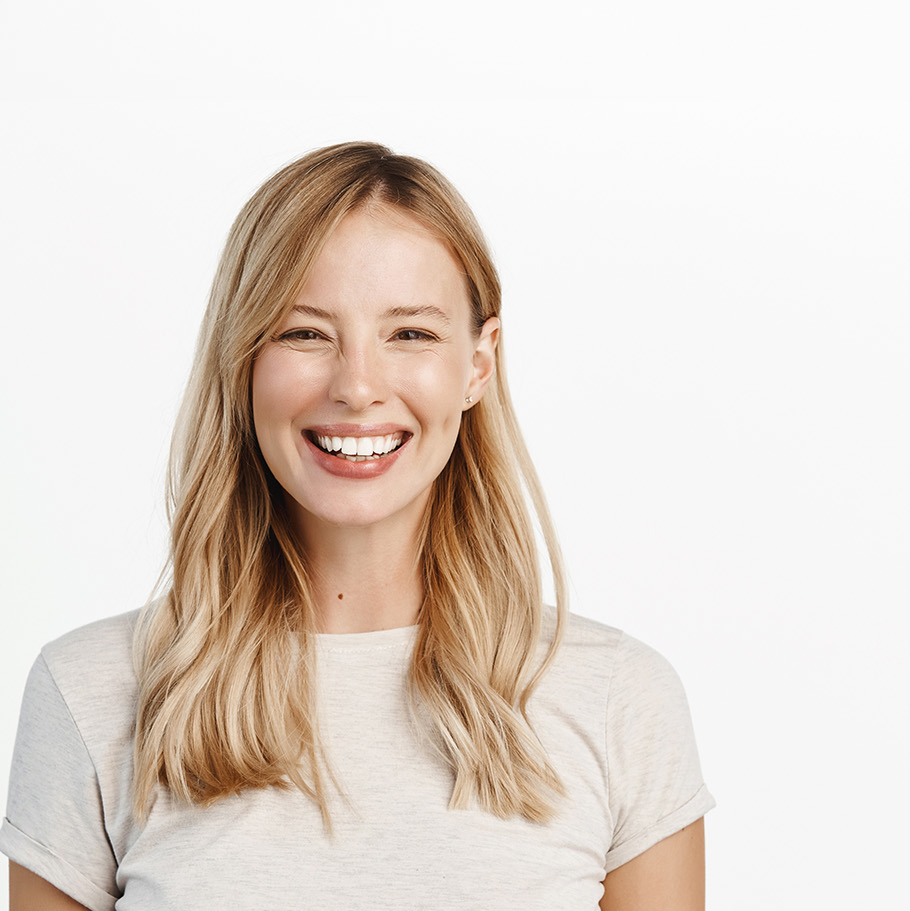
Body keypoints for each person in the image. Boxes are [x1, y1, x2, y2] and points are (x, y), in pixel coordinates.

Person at [2, 142, 713, 910]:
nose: (358, 386)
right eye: (304, 332)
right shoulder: (92, 693)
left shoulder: (618, 699)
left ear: (478, 364)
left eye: (410, 333)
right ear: (241, 359)